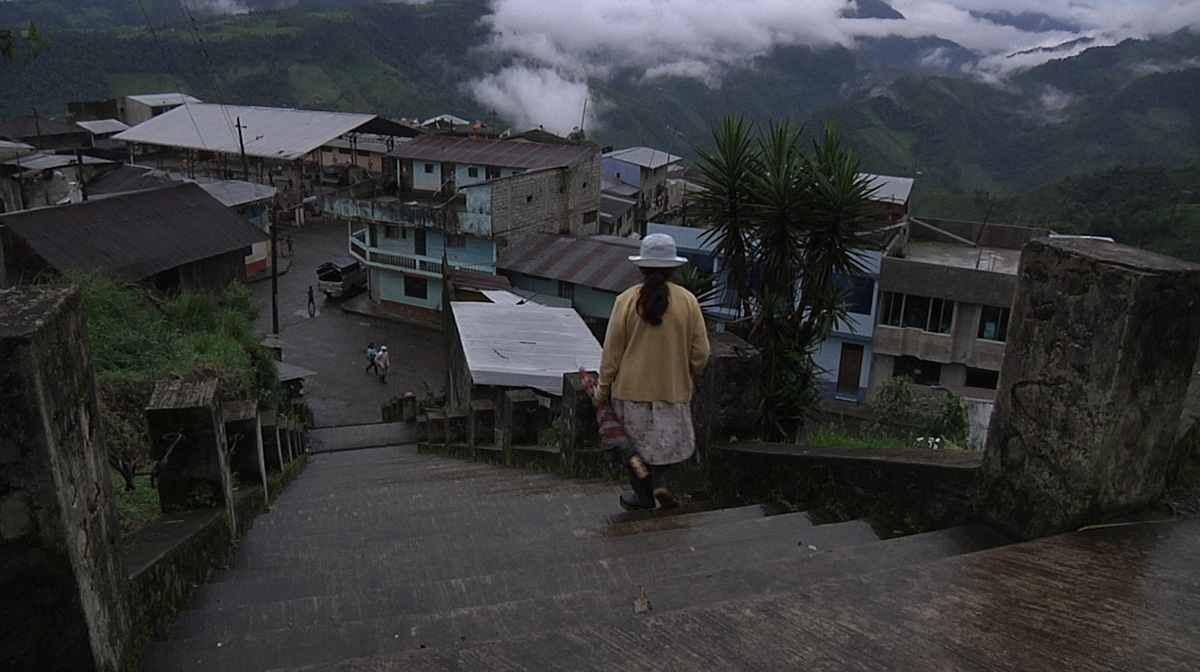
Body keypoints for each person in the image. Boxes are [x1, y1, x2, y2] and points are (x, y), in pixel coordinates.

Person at [596, 233, 710, 511]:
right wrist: (687, 374)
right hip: (671, 390)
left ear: (641, 267)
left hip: (631, 390)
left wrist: (602, 388)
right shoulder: (688, 301)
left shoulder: (626, 301)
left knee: (634, 447)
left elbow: (612, 352)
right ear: (673, 267)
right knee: (666, 443)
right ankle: (663, 483)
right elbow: (701, 352)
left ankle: (643, 496)